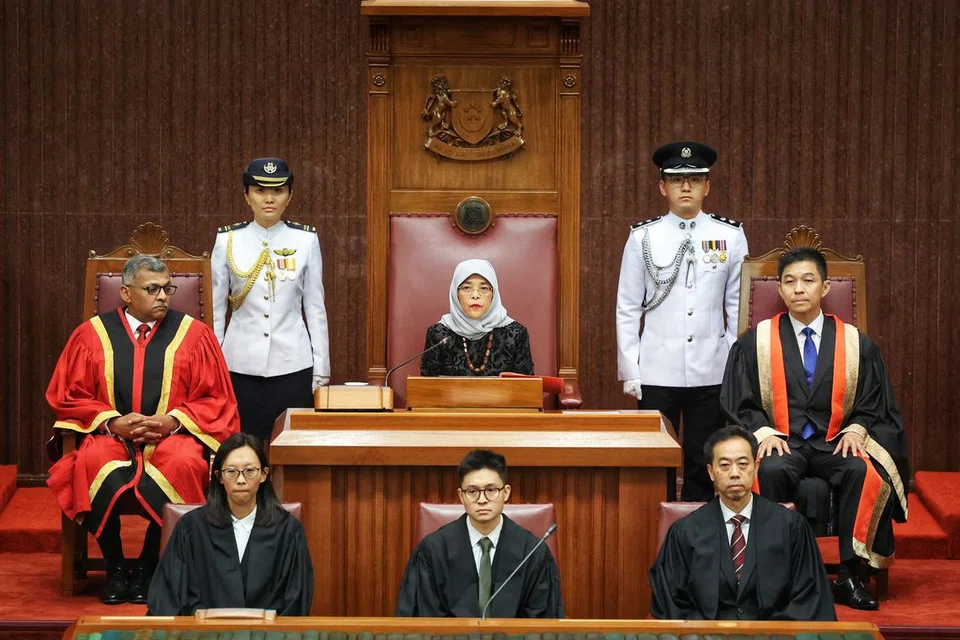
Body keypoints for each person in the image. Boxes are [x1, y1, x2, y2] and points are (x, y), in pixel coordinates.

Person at [720, 247, 909, 611]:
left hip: (833, 442)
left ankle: (849, 575)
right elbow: (738, 400)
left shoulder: (855, 343)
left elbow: (873, 399)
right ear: (780, 289)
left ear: (824, 287)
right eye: (789, 281)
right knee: (768, 471)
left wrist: (856, 427)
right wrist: (762, 432)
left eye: (808, 280)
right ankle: (774, 574)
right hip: (782, 442)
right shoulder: (754, 342)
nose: (799, 289)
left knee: (859, 470)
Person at [46, 256, 240, 605]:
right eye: (152, 289)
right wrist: (111, 421)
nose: (163, 296)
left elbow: (217, 398)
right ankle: (116, 566)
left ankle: (150, 565)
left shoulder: (195, 335)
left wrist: (174, 421)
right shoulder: (92, 334)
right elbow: (69, 394)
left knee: (184, 463)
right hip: (110, 437)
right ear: (125, 292)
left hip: (172, 437)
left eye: (168, 288)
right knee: (93, 461)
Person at [616, 140, 749, 501]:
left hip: (711, 368)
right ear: (663, 187)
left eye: (695, 178)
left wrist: (735, 366)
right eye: (677, 180)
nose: (686, 186)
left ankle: (699, 533)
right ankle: (655, 532)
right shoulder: (643, 236)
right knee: (654, 457)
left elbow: (738, 306)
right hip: (657, 366)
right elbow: (628, 306)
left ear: (708, 185)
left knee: (703, 458)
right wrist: (631, 369)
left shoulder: (730, 235)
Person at [650, 425, 836, 621]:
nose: (734, 473)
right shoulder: (684, 532)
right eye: (724, 465)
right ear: (711, 471)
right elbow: (670, 601)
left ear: (756, 467)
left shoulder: (791, 527)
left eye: (742, 463)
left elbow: (808, 597)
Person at [211, 157, 330, 442]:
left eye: (277, 191)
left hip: (293, 362)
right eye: (260, 190)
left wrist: (321, 369)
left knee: (292, 448)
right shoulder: (227, 240)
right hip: (239, 363)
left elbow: (315, 309)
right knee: (242, 446)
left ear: (289, 196)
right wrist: (212, 367)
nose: (269, 198)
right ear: (246, 196)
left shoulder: (305, 241)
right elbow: (215, 310)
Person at [147, 433, 314, 615]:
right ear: (219, 476)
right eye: (232, 472)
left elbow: (295, 599)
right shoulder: (191, 528)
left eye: (250, 471)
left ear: (264, 475)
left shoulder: (287, 530)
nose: (241, 480)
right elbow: (168, 595)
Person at [396, 449, 563, 617]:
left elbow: (543, 624)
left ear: (506, 492)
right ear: (461, 496)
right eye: (472, 492)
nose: (482, 500)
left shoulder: (533, 553)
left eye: (491, 490)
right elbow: (423, 621)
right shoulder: (433, 551)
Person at [420, 259, 534, 377]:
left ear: (493, 294)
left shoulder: (516, 334)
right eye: (467, 288)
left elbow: (526, 389)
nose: (475, 295)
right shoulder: (439, 334)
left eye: (484, 288)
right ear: (455, 293)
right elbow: (426, 389)